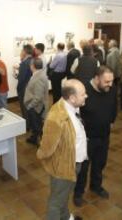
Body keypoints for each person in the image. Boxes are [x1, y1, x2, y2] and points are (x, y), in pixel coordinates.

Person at [37, 79, 87, 220]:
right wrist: (42, 156)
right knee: (56, 201)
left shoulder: (72, 106)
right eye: (83, 94)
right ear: (72, 98)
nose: (86, 96)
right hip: (63, 167)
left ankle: (65, 217)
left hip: (74, 163)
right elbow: (46, 147)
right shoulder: (56, 117)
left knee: (64, 195)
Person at [73, 66, 117, 207]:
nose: (110, 84)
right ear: (97, 78)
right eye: (107, 81)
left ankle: (96, 186)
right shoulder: (83, 91)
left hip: (104, 136)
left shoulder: (111, 88)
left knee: (100, 163)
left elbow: (113, 105)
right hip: (87, 139)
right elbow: (74, 115)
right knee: (83, 168)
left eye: (111, 81)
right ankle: (78, 192)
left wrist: (111, 120)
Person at [24, 58, 49, 145]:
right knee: (35, 125)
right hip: (35, 106)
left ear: (32, 66)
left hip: (36, 107)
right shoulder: (38, 74)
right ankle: (34, 138)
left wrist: (30, 106)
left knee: (38, 125)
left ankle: (42, 144)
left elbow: (38, 97)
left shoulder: (39, 78)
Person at [17, 44, 33, 126]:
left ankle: (27, 125)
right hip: (32, 88)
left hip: (24, 88)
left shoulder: (24, 63)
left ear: (25, 52)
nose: (21, 52)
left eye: (22, 50)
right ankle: (31, 123)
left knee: (24, 108)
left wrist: (18, 89)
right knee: (30, 107)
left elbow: (21, 79)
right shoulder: (33, 60)